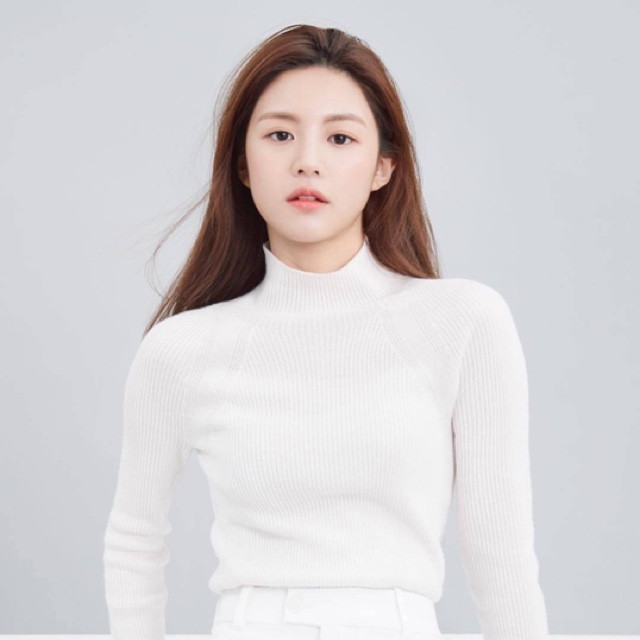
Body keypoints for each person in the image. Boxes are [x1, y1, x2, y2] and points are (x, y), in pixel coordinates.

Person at [102, 23, 549, 640]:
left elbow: (501, 553)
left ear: (383, 167)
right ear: (243, 164)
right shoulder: (182, 350)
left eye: (340, 137)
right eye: (280, 134)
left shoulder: (463, 323)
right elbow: (134, 540)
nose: (307, 160)